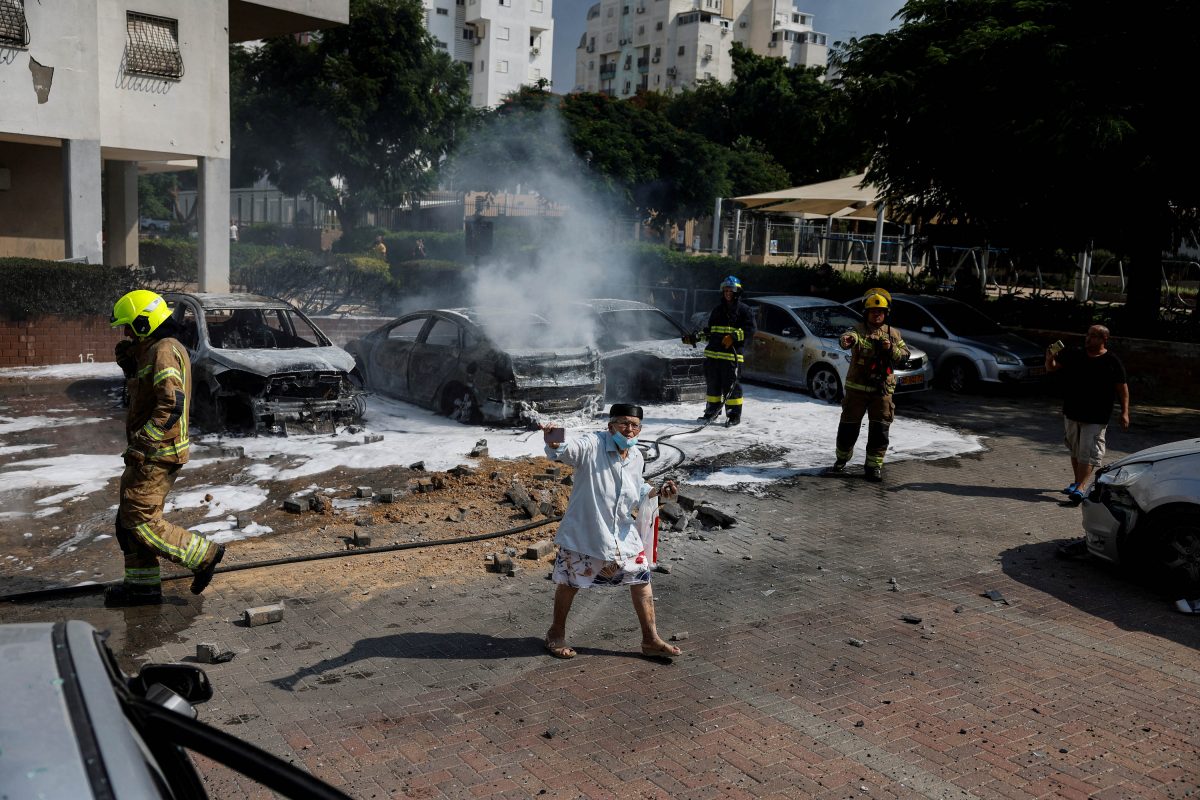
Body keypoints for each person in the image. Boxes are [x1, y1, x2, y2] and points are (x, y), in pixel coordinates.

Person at [104, 290, 224, 607]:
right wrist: (131, 359)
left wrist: (142, 445)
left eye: (130, 326)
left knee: (141, 523)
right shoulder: (153, 349)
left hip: (156, 453)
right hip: (150, 452)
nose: (126, 333)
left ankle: (204, 556)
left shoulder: (165, 351)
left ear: (145, 323)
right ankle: (142, 589)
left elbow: (170, 407)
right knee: (127, 525)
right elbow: (142, 386)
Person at [541, 404, 682, 661]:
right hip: (587, 532)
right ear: (610, 426)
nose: (629, 430)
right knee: (570, 583)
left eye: (634, 425)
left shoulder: (636, 456)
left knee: (641, 579)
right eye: (623, 423)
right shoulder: (593, 445)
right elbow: (566, 451)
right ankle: (555, 633)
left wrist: (659, 494)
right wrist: (553, 438)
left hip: (622, 533)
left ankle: (650, 638)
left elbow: (638, 489)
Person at [830, 287, 910, 482]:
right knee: (848, 428)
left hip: (882, 392)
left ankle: (873, 467)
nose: (877, 315)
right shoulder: (858, 330)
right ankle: (841, 459)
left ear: (886, 314)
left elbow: (904, 356)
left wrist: (891, 349)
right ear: (867, 313)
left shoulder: (894, 335)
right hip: (857, 390)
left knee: (880, 431)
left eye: (880, 312)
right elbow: (847, 339)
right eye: (873, 312)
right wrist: (847, 340)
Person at [1046, 324, 1130, 510]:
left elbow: (1122, 389)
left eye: (1093, 336)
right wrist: (1049, 357)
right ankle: (1077, 483)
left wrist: (1125, 412)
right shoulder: (1076, 354)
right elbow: (1051, 368)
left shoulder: (1112, 361)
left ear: (1103, 340)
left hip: (1096, 415)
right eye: (1088, 335)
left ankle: (1082, 487)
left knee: (1088, 452)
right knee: (1075, 450)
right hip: (1072, 411)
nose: (1088, 339)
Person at [686, 275, 756, 426]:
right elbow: (711, 332)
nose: (728, 293)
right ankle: (711, 413)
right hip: (713, 357)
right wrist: (696, 338)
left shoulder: (745, 311)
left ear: (737, 291)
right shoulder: (717, 310)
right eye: (725, 290)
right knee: (713, 387)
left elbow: (750, 330)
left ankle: (733, 416)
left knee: (731, 388)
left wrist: (734, 336)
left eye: (731, 290)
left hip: (731, 357)